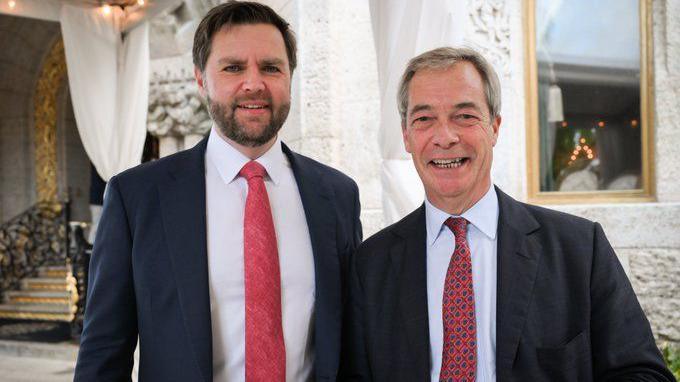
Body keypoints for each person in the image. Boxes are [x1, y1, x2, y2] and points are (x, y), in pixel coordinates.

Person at [339, 47, 673, 381]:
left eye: (464, 116)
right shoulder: (370, 265)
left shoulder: (580, 249)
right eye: (424, 119)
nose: (445, 137)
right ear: (407, 135)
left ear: (495, 127)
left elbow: (644, 374)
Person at [74, 2, 362, 381]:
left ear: (290, 77)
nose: (254, 83)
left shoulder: (337, 195)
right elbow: (103, 355)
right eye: (233, 67)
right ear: (201, 79)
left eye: (271, 67)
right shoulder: (137, 198)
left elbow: (354, 346)